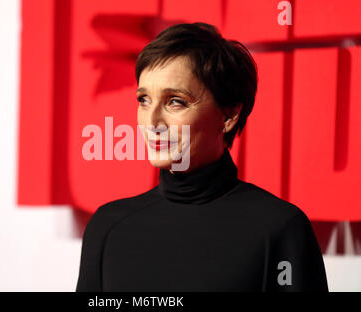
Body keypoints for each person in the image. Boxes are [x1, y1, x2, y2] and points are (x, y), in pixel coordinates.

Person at [75, 22, 328, 291]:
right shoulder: (107, 226)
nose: (152, 122)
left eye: (176, 101)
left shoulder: (281, 229)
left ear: (229, 115)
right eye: (144, 99)